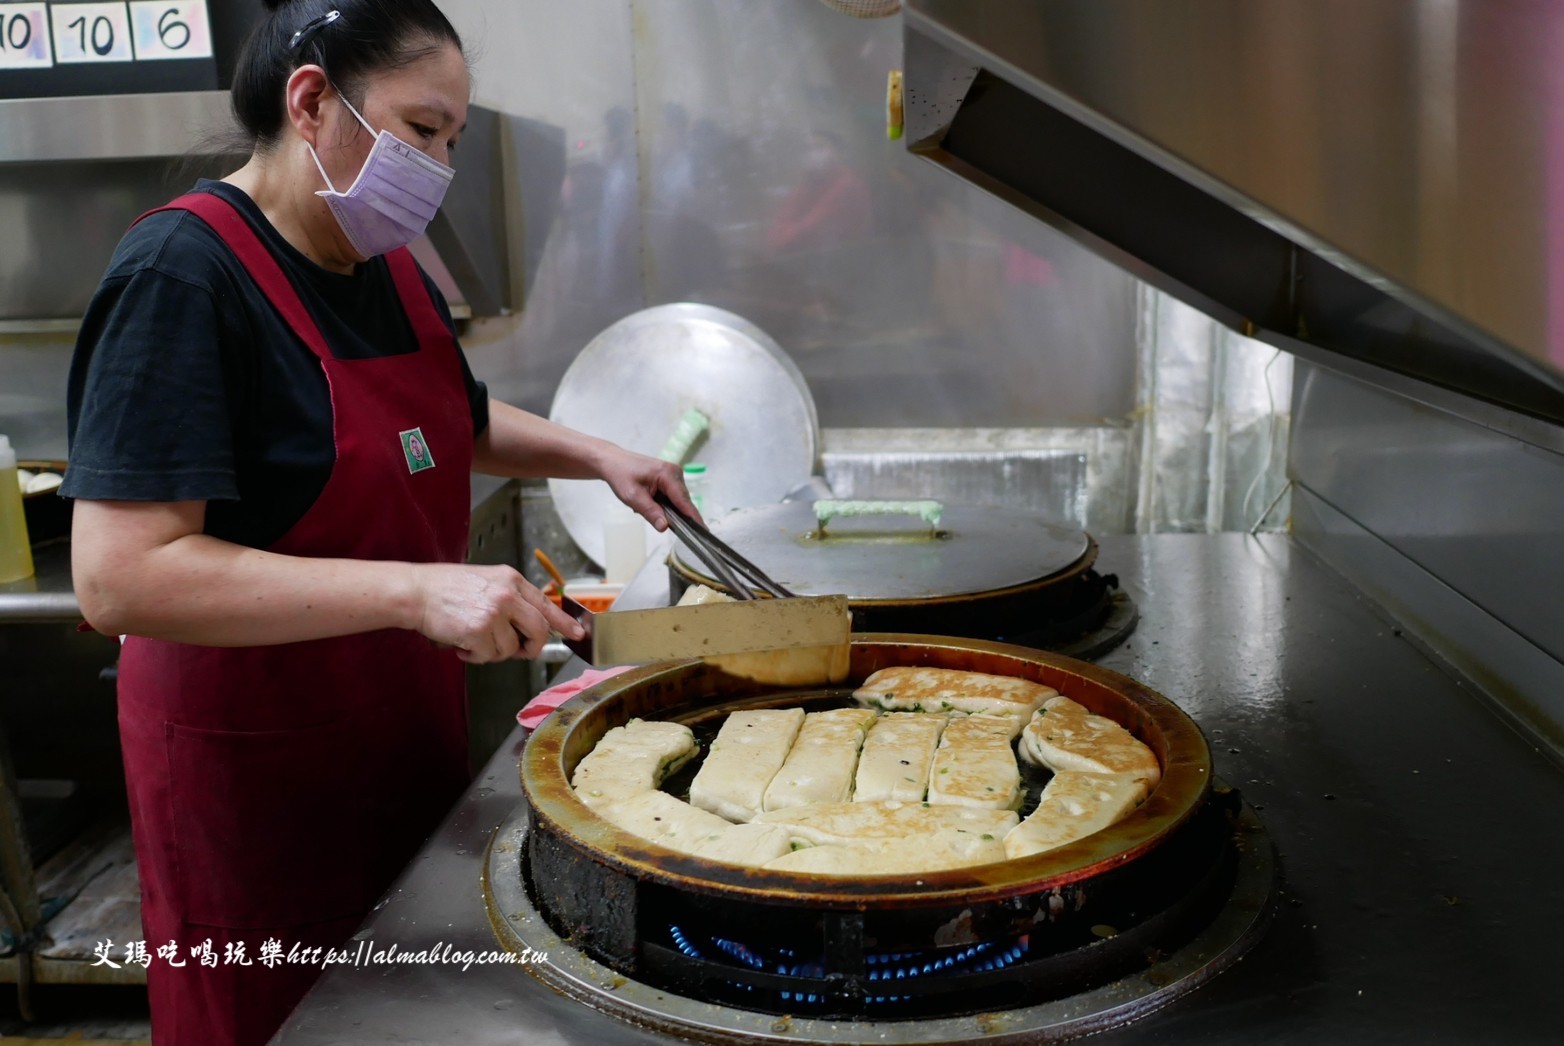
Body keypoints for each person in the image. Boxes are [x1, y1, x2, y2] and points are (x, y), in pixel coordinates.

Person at [60, 2, 696, 1043]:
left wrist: (600, 452)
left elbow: (456, 415)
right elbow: (121, 574)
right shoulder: (183, 273)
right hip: (254, 782)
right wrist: (417, 588)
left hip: (393, 744)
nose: (440, 165)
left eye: (454, 139)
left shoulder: (388, 265)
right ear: (310, 102)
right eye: (422, 128)